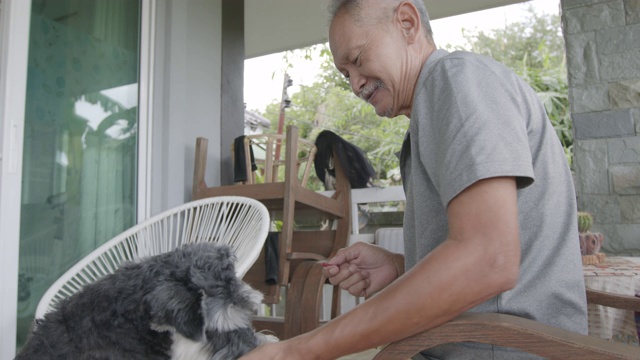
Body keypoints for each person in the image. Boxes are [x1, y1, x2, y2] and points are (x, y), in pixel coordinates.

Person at [240, 0, 587, 358]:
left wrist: (296, 351)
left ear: (407, 23)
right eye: (346, 75)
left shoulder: (455, 79)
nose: (356, 85)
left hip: (504, 348)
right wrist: (397, 266)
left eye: (358, 60)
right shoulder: (429, 115)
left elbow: (488, 259)